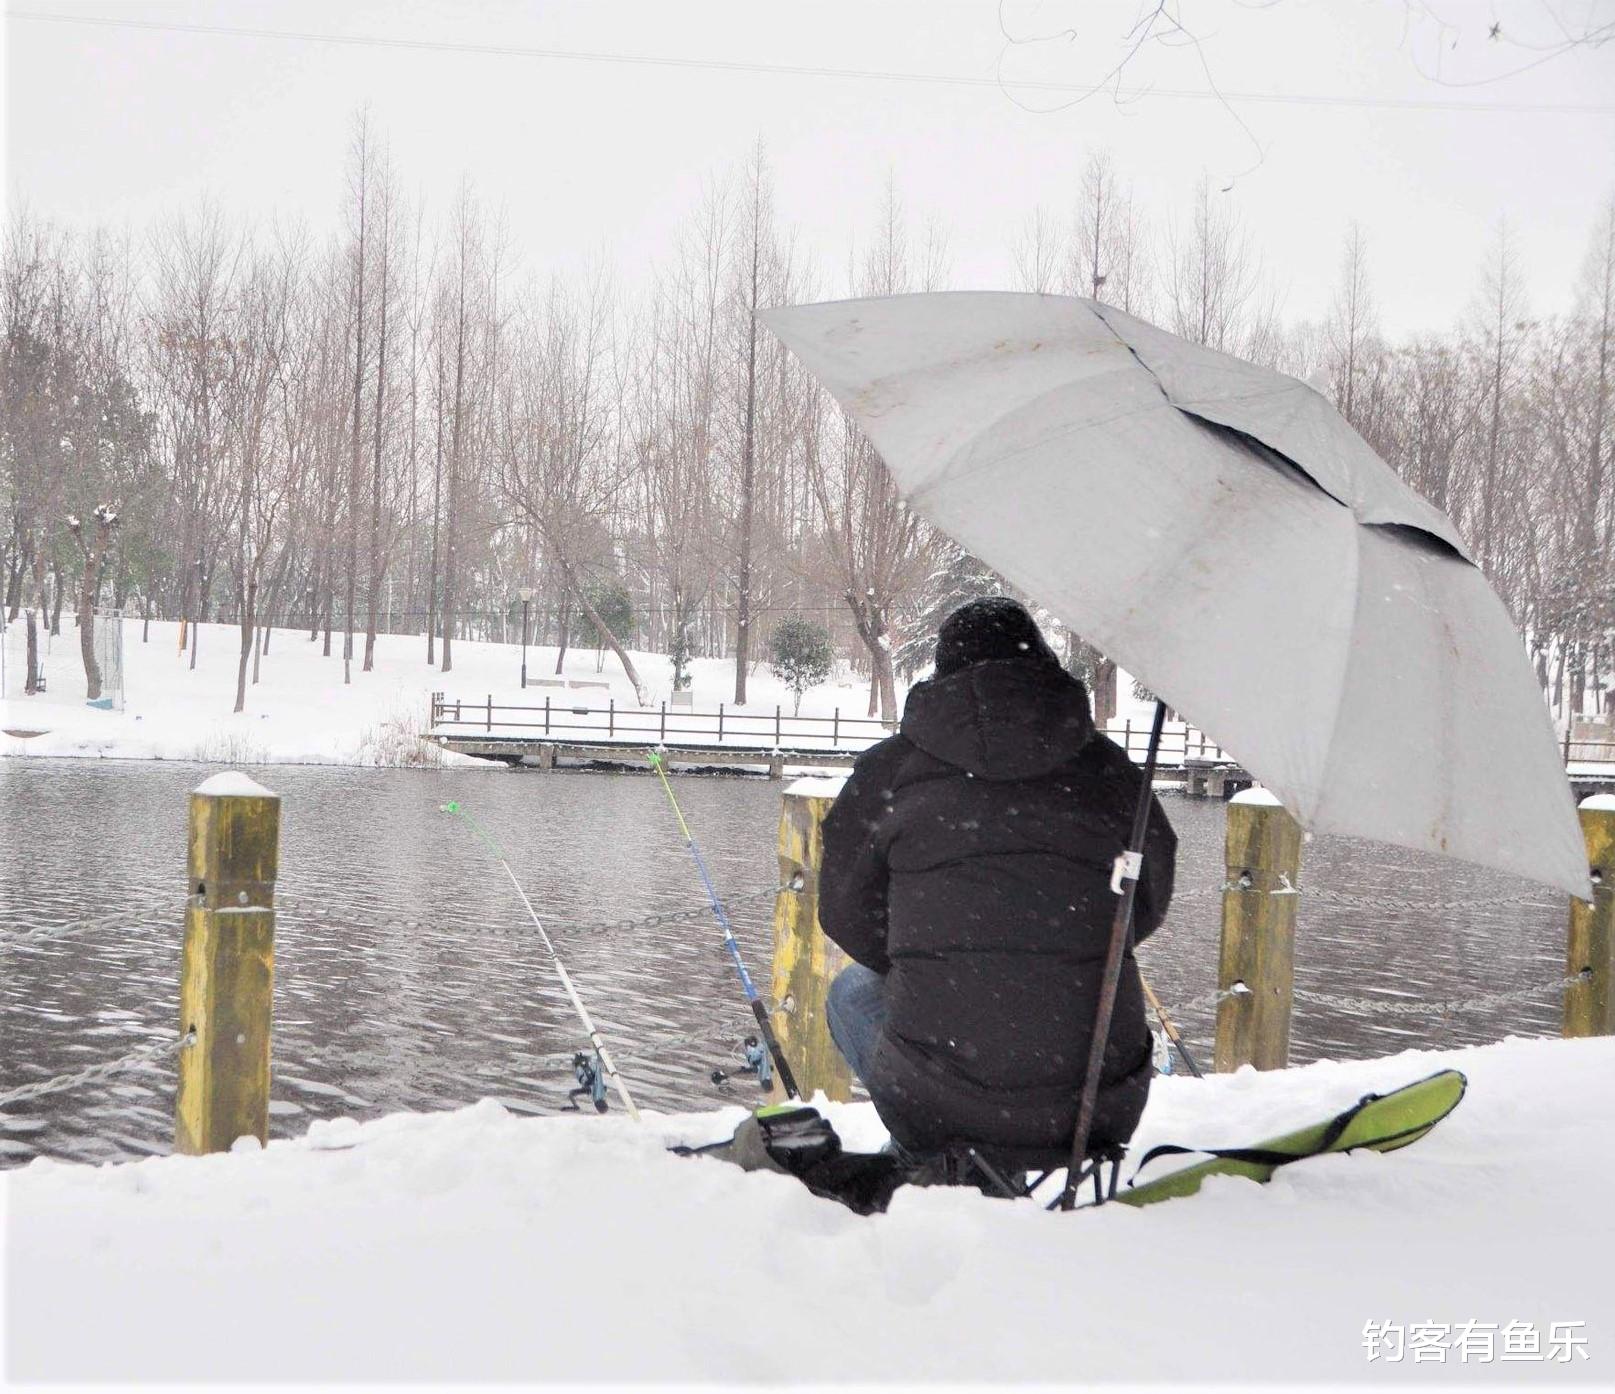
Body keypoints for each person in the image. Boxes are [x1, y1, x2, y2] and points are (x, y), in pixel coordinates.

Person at [819, 597, 1176, 1166]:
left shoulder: (892, 768)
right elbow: (1148, 897)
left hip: (935, 1099)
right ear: (1043, 663)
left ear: (942, 672)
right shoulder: (1109, 770)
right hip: (1097, 1101)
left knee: (850, 992)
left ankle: (922, 1154)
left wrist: (928, 955)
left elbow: (843, 910)